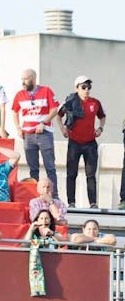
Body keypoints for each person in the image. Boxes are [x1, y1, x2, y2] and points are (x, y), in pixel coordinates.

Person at [60, 76, 105, 209]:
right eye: (83, 87)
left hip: (90, 143)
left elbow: (102, 116)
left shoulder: (95, 103)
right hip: (74, 142)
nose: (86, 90)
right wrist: (62, 128)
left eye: (88, 87)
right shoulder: (70, 101)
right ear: (77, 88)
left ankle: (93, 203)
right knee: (71, 174)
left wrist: (100, 128)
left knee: (91, 175)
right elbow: (58, 114)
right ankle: (71, 202)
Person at [11, 69, 60, 188]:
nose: (23, 82)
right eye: (22, 79)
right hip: (28, 135)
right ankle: (35, 193)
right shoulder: (19, 94)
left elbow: (55, 109)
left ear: (33, 79)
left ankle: (53, 194)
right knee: (33, 168)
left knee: (50, 167)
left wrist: (43, 122)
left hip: (44, 133)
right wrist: (18, 128)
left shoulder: (46, 90)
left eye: (26, 79)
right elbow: (15, 112)